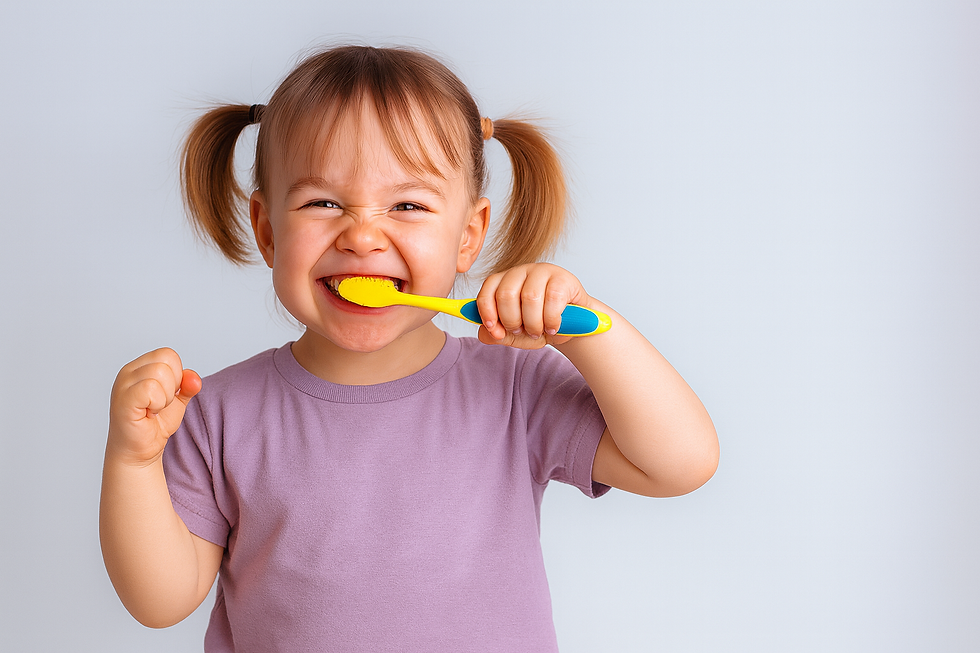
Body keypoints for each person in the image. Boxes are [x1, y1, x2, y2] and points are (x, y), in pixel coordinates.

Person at [99, 44, 719, 652]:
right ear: (267, 231)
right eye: (323, 203)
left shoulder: (514, 388)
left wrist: (586, 329)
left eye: (407, 205)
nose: (363, 235)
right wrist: (133, 460)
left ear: (468, 237)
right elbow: (161, 601)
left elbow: (680, 464)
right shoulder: (214, 411)